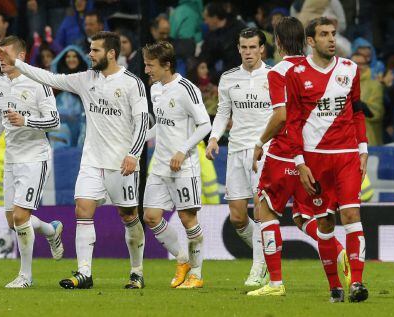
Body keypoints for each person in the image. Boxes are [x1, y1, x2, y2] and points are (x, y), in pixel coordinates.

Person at [0, 31, 149, 290]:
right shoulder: (86, 79)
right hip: (91, 161)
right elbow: (51, 78)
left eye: (95, 50)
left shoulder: (132, 83)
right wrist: (16, 62)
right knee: (82, 210)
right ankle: (84, 273)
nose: (90, 54)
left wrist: (134, 153)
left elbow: (143, 121)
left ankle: (136, 271)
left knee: (129, 215)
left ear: (111, 53)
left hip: (122, 163)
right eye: (90, 49)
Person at [248, 16, 348, 298]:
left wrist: (260, 141)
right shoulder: (314, 68)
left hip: (285, 152)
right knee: (304, 216)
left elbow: (281, 116)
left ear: (277, 42)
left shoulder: (278, 72)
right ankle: (339, 252)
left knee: (264, 210)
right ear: (306, 41)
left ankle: (276, 283)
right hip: (314, 153)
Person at [286, 17, 368, 303]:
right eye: (324, 34)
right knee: (325, 225)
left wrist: (363, 149)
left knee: (351, 215)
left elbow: (358, 112)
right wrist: (299, 161)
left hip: (346, 156)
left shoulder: (350, 69)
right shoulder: (296, 74)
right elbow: (293, 122)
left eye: (333, 34)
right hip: (315, 159)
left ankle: (356, 282)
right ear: (310, 40)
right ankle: (335, 286)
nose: (331, 39)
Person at [0, 36, 64, 288]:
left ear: (22, 57)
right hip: (11, 158)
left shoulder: (39, 82)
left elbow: (55, 122)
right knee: (13, 220)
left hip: (35, 157)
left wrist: (26, 121)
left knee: (20, 216)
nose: (1, 59)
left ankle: (25, 276)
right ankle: (51, 230)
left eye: (5, 54)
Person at [141, 41, 211, 289]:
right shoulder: (155, 89)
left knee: (187, 218)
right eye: (146, 64)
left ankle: (197, 274)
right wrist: (136, 141)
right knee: (151, 216)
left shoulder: (186, 89)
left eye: (151, 65)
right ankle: (182, 259)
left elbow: (205, 125)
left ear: (166, 65)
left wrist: (183, 150)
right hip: (160, 164)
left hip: (183, 165)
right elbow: (160, 125)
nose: (147, 69)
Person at [206, 28, 271, 288]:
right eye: (244, 47)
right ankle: (269, 249)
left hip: (263, 151)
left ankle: (259, 267)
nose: (248, 52)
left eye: (253, 47)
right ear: (238, 48)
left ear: (262, 49)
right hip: (235, 151)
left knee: (261, 208)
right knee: (237, 217)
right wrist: (213, 138)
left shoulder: (274, 76)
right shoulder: (229, 78)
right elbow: (223, 112)